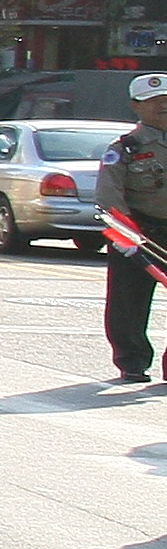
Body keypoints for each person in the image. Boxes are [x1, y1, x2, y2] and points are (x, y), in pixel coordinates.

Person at [104, 74, 167, 382]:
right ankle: (132, 362)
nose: (163, 106)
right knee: (128, 302)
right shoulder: (125, 148)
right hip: (141, 233)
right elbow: (109, 197)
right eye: (154, 101)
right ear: (135, 106)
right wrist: (125, 236)